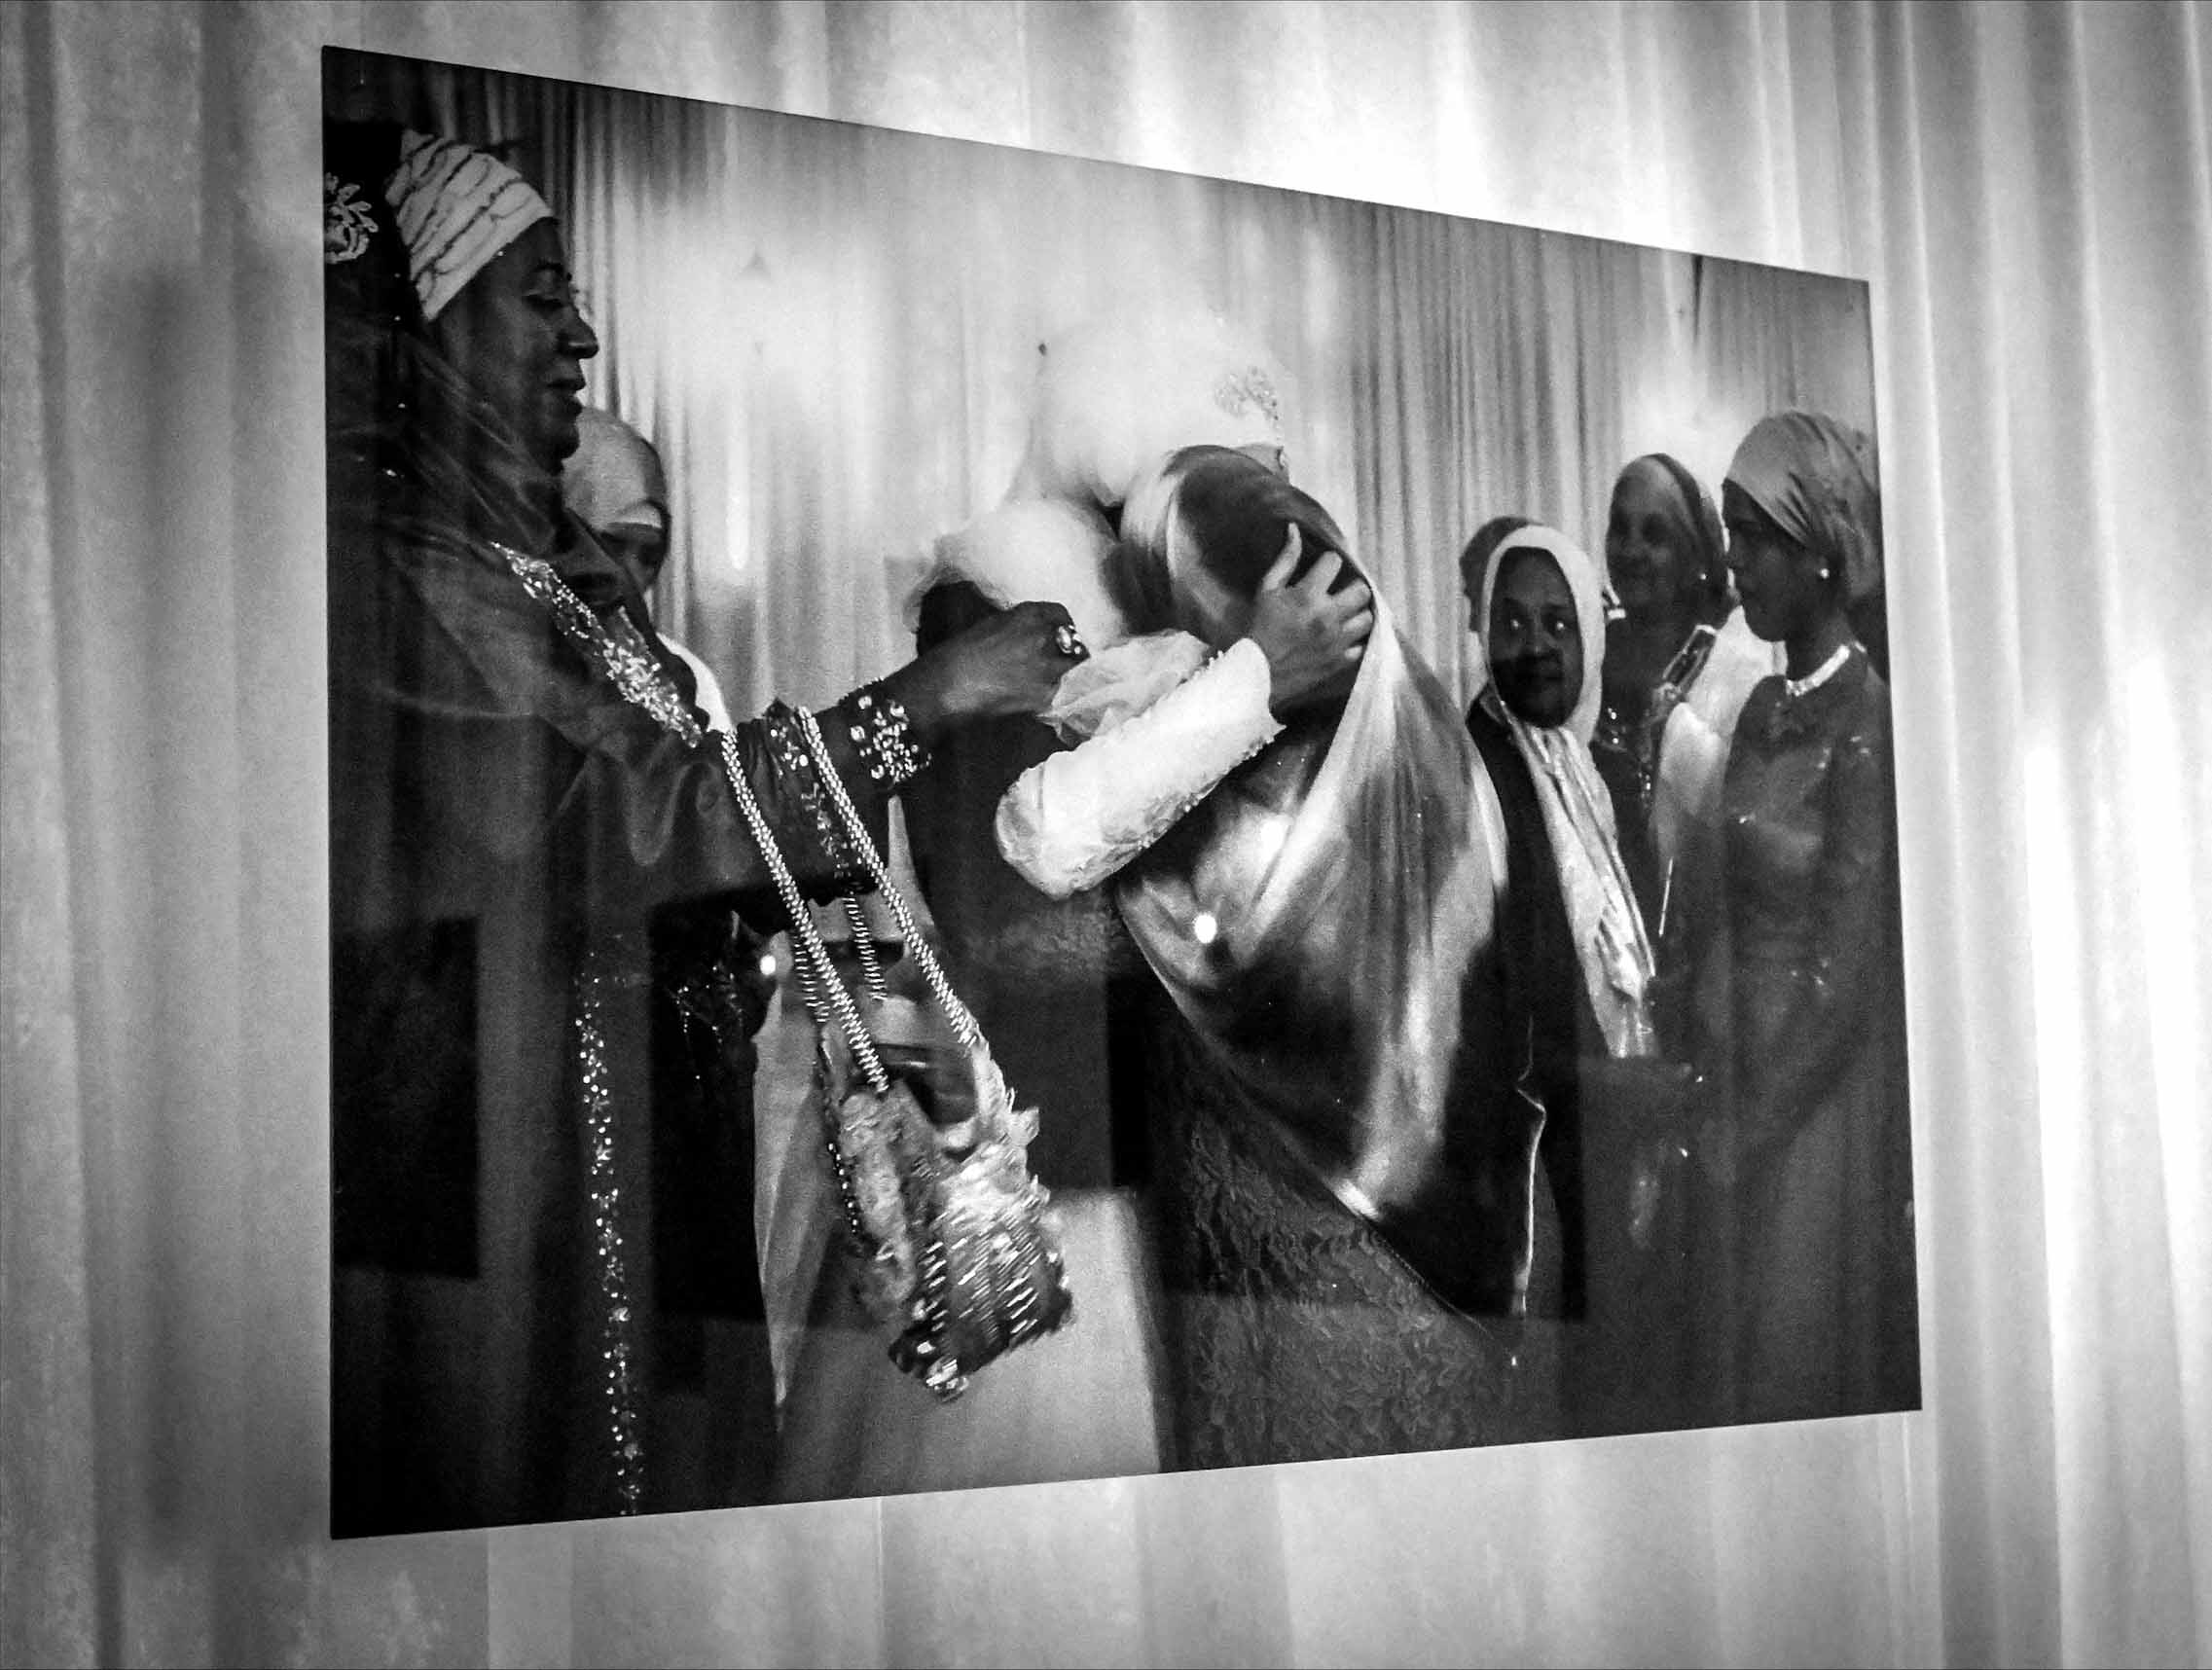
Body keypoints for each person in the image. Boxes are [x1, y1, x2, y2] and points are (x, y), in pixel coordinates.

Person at [323, 122, 1076, 1535]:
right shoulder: (397, 568)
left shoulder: (549, 577)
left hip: (654, 1173)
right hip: (515, 1191)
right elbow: (615, 822)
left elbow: (688, 828)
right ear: (431, 322)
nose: (584, 334)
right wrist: (919, 699)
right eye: (540, 295)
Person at [769, 314, 1371, 1501]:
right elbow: (1011, 933)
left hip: (1171, 1172)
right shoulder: (992, 599)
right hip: (1060, 1187)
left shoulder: (1165, 607)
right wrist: (1222, 922)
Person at [997, 445, 1559, 1468]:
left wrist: (1241, 680)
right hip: (1399, 1261)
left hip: (1331, 1287)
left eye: (1169, 612)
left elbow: (1041, 843)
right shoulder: (1426, 758)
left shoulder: (1221, 815)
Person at [1464, 525, 1706, 1435]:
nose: (1532, 647)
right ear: (1481, 632)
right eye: (1512, 622)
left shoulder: (1593, 769)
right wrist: (1612, 1091)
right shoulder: (1474, 771)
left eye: (1558, 624)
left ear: (1589, 638)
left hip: (1614, 1133)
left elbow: (1629, 949)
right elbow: (1483, 1010)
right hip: (1540, 1155)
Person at [1716, 411, 1916, 1425]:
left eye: (1753, 537)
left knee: (1790, 1362)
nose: (1734, 563)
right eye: (1729, 536)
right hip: (1740, 1066)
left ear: (1817, 547)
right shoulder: (1756, 709)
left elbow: (1843, 983)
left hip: (1815, 1096)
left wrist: (1750, 1129)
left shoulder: (1867, 721)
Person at [1593, 454, 1780, 969]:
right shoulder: (1585, 663)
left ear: (1695, 555)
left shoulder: (1741, 674)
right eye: (1620, 527)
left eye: (1654, 535)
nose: (1630, 550)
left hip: (1703, 962)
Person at [563, 405, 733, 730]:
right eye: (610, 545)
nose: (631, 572)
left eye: (649, 556)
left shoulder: (685, 674)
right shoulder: (512, 651)